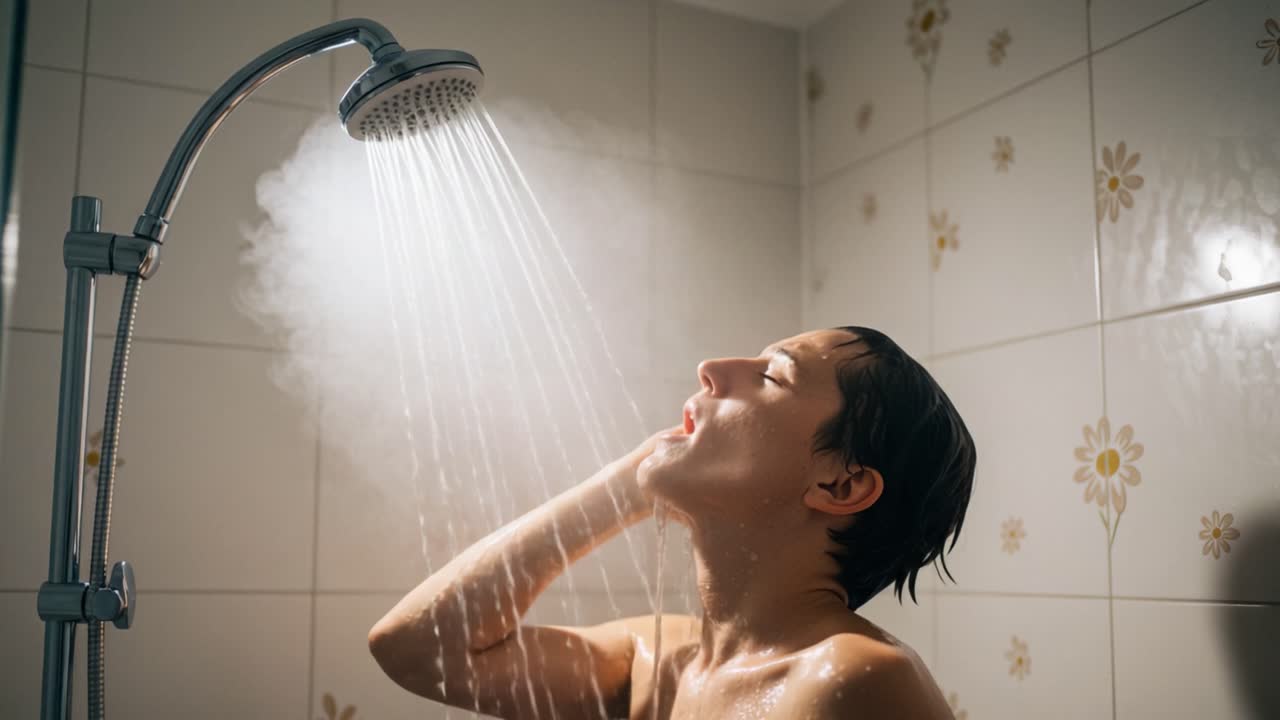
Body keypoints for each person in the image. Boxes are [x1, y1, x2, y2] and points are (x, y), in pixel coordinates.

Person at [368, 327, 975, 719]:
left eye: (772, 376)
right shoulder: (661, 664)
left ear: (840, 485)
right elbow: (418, 648)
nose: (712, 367)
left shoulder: (855, 679)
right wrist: (631, 481)